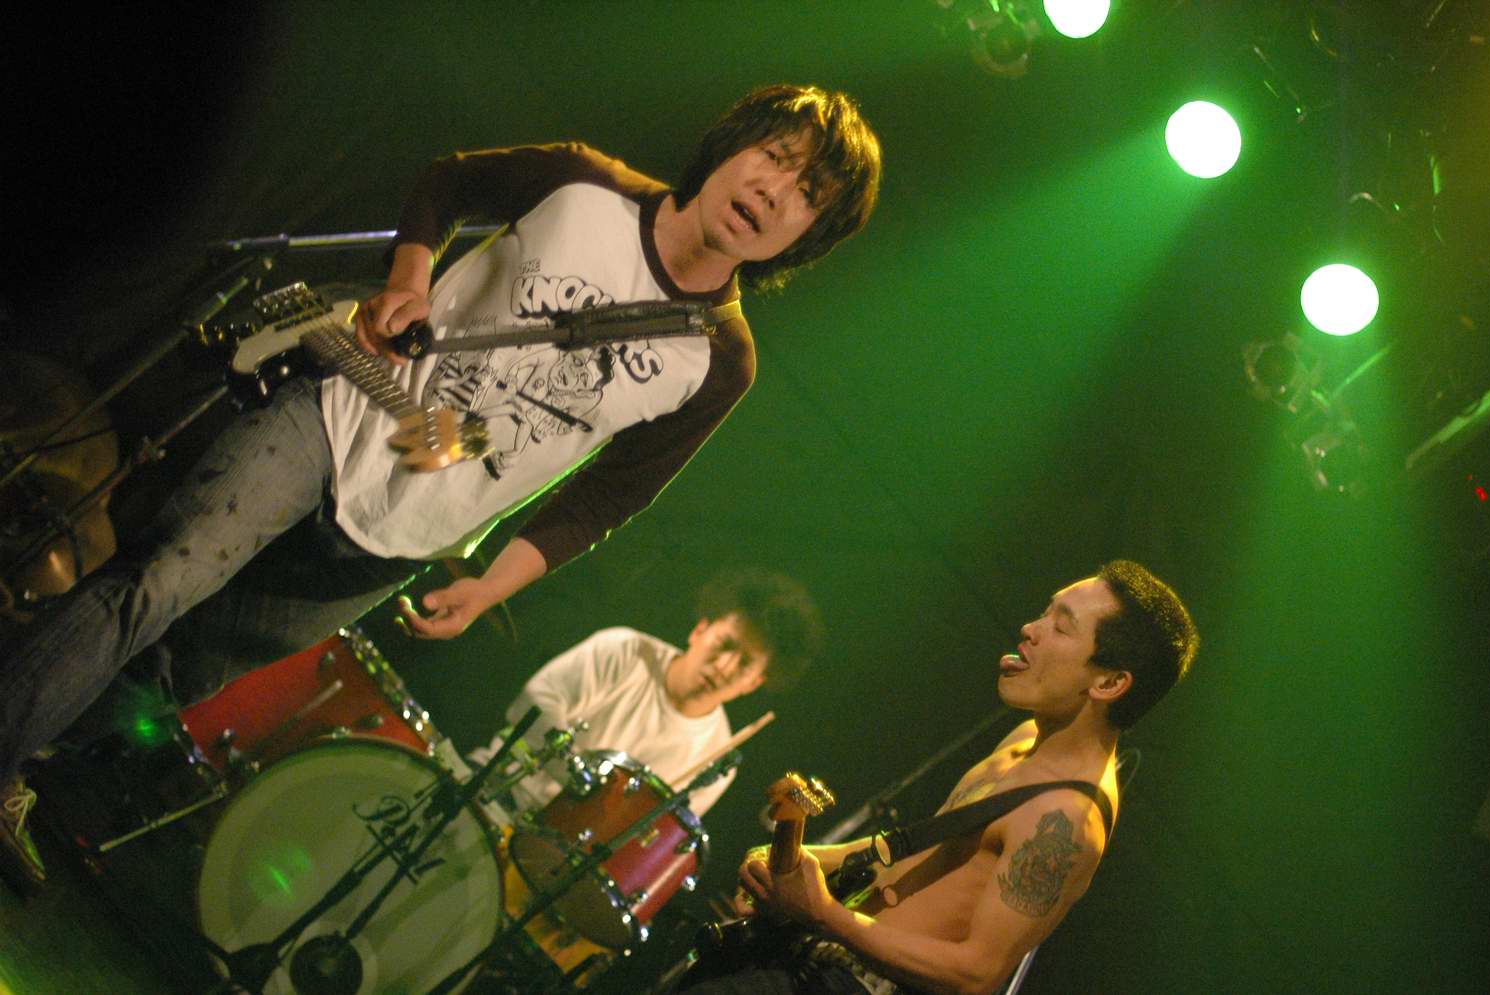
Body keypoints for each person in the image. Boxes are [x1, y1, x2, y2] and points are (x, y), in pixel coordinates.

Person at [0, 84, 882, 893]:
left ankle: (23, 760)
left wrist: (491, 584)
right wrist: (408, 282)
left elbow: (610, 495)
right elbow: (446, 183)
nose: (774, 191)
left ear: (810, 235)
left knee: (174, 673)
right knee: (160, 582)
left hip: (408, 532)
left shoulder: (720, 361)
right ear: (730, 144)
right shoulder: (587, 186)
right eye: (775, 157)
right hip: (342, 412)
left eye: (806, 193)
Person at [684, 560, 1199, 995]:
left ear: (1110, 682)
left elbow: (976, 974)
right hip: (817, 960)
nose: (1030, 628)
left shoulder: (1065, 819)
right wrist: (805, 859)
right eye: (1045, 611)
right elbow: (917, 855)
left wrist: (821, 912)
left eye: (1061, 627)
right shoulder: (1026, 735)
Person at [470, 569, 823, 820]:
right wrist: (585, 785)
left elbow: (653, 840)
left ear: (754, 683)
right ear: (700, 630)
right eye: (725, 644)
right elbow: (530, 705)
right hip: (490, 792)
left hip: (542, 858)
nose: (724, 666)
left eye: (744, 663)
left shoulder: (717, 761)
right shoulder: (625, 650)